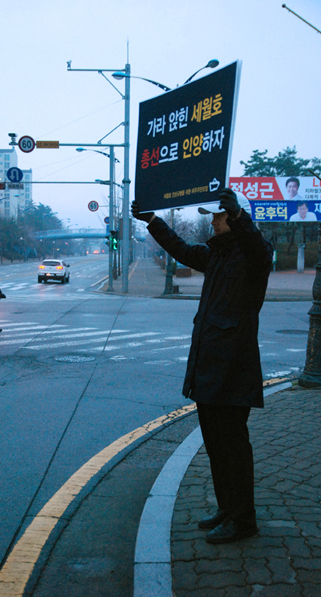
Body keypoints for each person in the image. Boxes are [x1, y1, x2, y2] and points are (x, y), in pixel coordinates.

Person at [132, 189, 273, 544]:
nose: (213, 221)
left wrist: (241, 218)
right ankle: (228, 509)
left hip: (233, 370)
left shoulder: (255, 256)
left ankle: (243, 520)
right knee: (215, 447)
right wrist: (153, 221)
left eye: (219, 216)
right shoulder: (217, 256)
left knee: (233, 448)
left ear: (235, 219)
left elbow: (255, 246)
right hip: (208, 368)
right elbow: (180, 249)